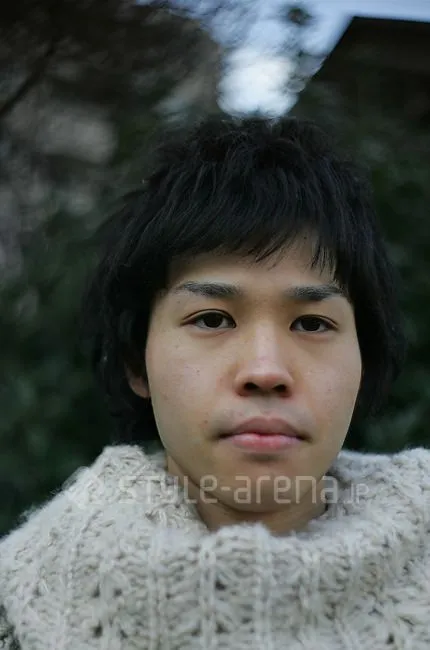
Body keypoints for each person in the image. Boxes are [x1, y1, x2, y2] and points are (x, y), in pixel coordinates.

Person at [1, 116, 429, 650]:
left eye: (312, 324)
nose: (265, 371)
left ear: (364, 357)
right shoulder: (16, 607)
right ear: (137, 361)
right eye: (211, 319)